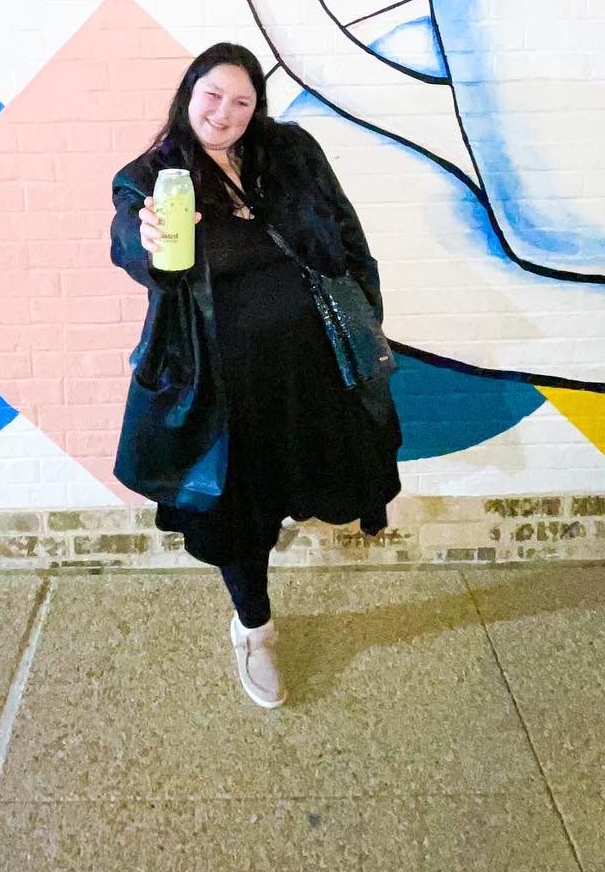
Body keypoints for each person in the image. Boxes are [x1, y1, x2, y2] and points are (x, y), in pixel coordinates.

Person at [110, 42, 402, 709]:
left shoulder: (290, 152)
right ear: (188, 95)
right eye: (212, 95)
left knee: (314, 478)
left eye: (241, 101)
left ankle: (261, 598)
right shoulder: (153, 177)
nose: (225, 112)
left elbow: (346, 235)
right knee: (238, 515)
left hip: (312, 371)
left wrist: (368, 314)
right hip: (223, 389)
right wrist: (147, 241)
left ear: (257, 108)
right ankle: (255, 629)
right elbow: (131, 241)